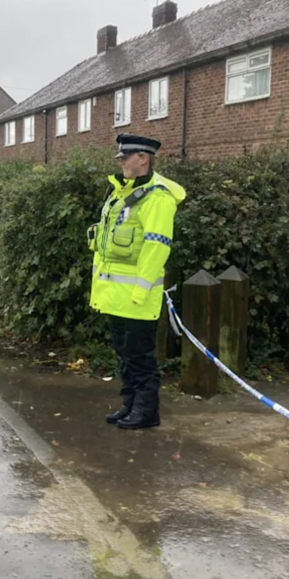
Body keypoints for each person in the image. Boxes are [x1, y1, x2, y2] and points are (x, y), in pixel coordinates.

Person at [88, 133, 186, 430]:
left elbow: (157, 247)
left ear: (143, 158)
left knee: (141, 356)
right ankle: (129, 404)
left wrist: (141, 291)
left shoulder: (157, 197)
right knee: (125, 354)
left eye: (124, 156)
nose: (119, 161)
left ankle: (146, 412)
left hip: (136, 297)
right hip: (115, 294)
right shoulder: (121, 193)